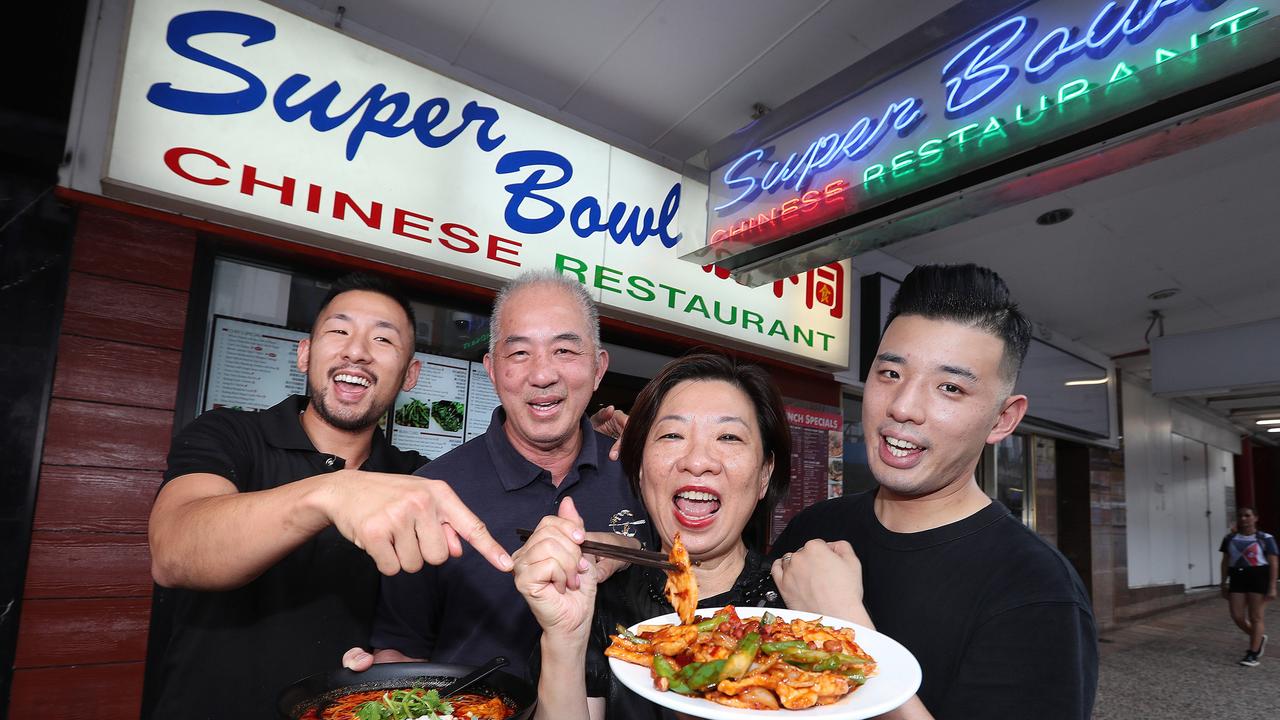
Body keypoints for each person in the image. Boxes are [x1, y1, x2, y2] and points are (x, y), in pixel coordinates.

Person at [147, 272, 513, 719]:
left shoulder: (417, 477)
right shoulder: (229, 435)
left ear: (410, 375)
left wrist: (616, 449)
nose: (356, 351)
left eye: (383, 340)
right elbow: (174, 552)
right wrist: (331, 492)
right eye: (339, 331)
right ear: (305, 354)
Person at [769, 264, 1098, 720]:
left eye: (950, 387)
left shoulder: (1038, 591)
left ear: (1003, 419)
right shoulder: (814, 529)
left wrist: (850, 636)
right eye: (889, 374)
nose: (903, 407)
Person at [349, 270, 649, 681]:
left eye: (564, 350)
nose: (542, 375)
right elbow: (400, 644)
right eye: (520, 353)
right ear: (492, 370)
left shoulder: (642, 478)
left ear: (598, 369)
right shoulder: (434, 490)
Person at [512, 351, 792, 720]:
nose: (697, 460)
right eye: (672, 434)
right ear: (640, 469)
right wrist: (564, 638)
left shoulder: (795, 606)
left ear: (764, 475)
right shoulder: (599, 600)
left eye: (728, 436)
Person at [1220, 506, 1278, 667]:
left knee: (1255, 617)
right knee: (1237, 615)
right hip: (1237, 577)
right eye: (1241, 516)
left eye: (1247, 515)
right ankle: (1258, 636)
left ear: (1256, 518)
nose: (1244, 518)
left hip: (1258, 577)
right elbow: (1225, 561)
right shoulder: (1229, 538)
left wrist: (1272, 586)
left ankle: (1253, 653)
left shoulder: (1266, 538)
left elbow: (1273, 562)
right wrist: (1223, 582)